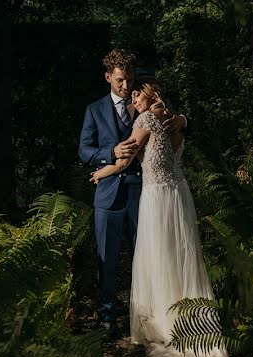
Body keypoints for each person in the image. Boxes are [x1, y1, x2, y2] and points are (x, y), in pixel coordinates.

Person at [97, 76, 237, 357]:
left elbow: (127, 157)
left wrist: (99, 172)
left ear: (148, 96)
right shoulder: (174, 124)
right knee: (179, 255)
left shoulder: (146, 120)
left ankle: (164, 317)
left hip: (158, 198)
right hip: (179, 195)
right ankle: (183, 312)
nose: (132, 98)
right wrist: (183, 119)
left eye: (136, 93)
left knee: (159, 255)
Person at [78, 49, 187, 334]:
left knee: (151, 258)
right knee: (107, 259)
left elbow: (173, 125)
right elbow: (84, 151)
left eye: (129, 80)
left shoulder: (146, 102)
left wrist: (185, 120)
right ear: (107, 77)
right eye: (119, 81)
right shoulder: (94, 110)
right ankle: (108, 317)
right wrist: (109, 152)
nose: (126, 87)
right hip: (109, 197)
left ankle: (148, 317)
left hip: (145, 194)